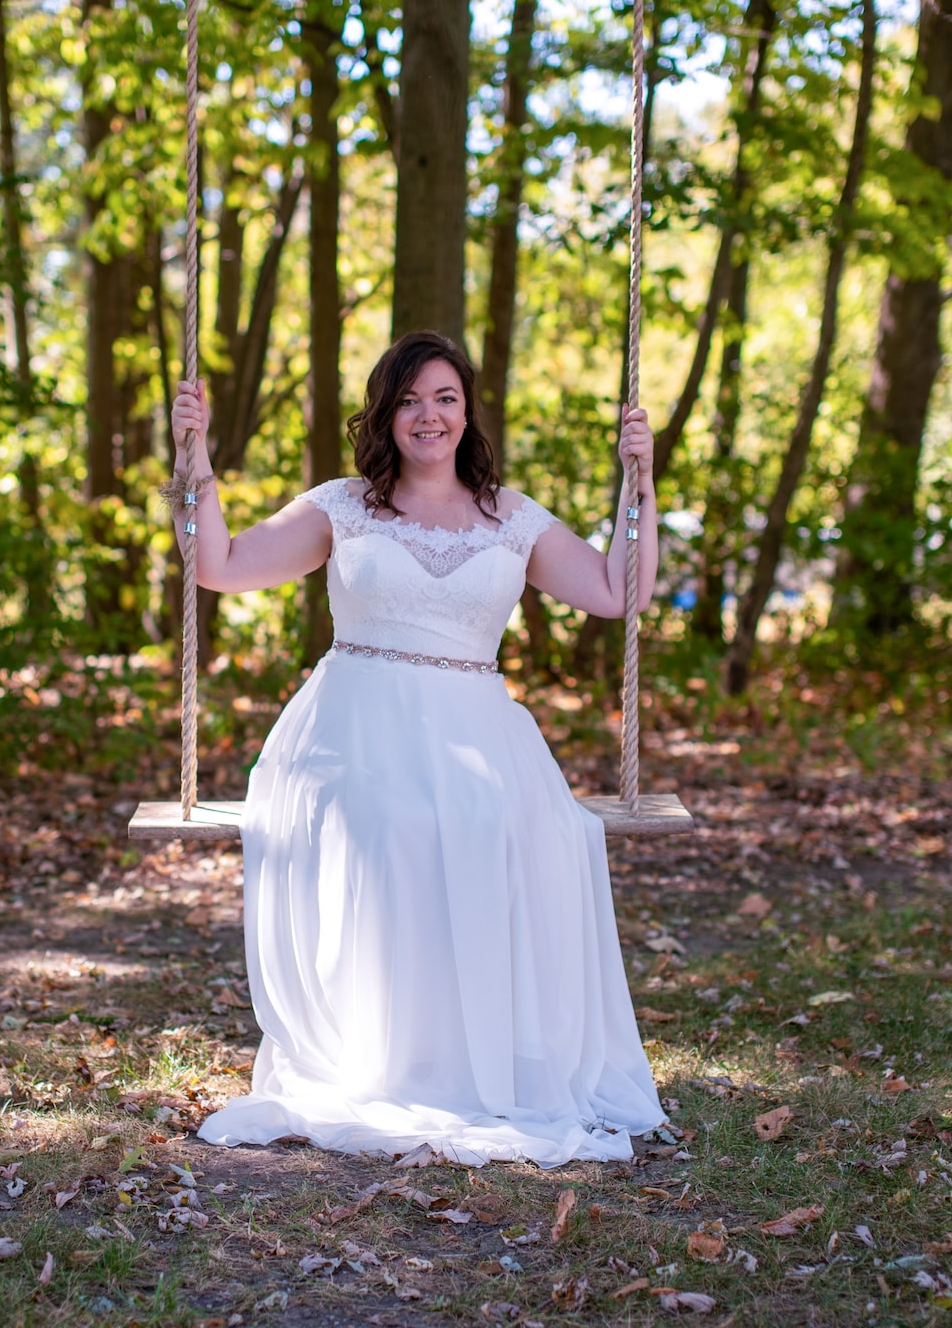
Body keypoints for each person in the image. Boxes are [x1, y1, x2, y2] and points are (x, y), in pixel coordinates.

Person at [171, 330, 666, 1167]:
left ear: (467, 410)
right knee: (386, 820)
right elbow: (217, 564)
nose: (427, 415)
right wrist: (197, 464)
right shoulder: (342, 507)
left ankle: (478, 1056)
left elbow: (618, 592)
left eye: (443, 397)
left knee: (518, 825)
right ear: (385, 414)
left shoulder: (513, 518)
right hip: (352, 729)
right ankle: (387, 1052)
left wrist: (640, 485)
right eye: (408, 400)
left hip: (477, 729)